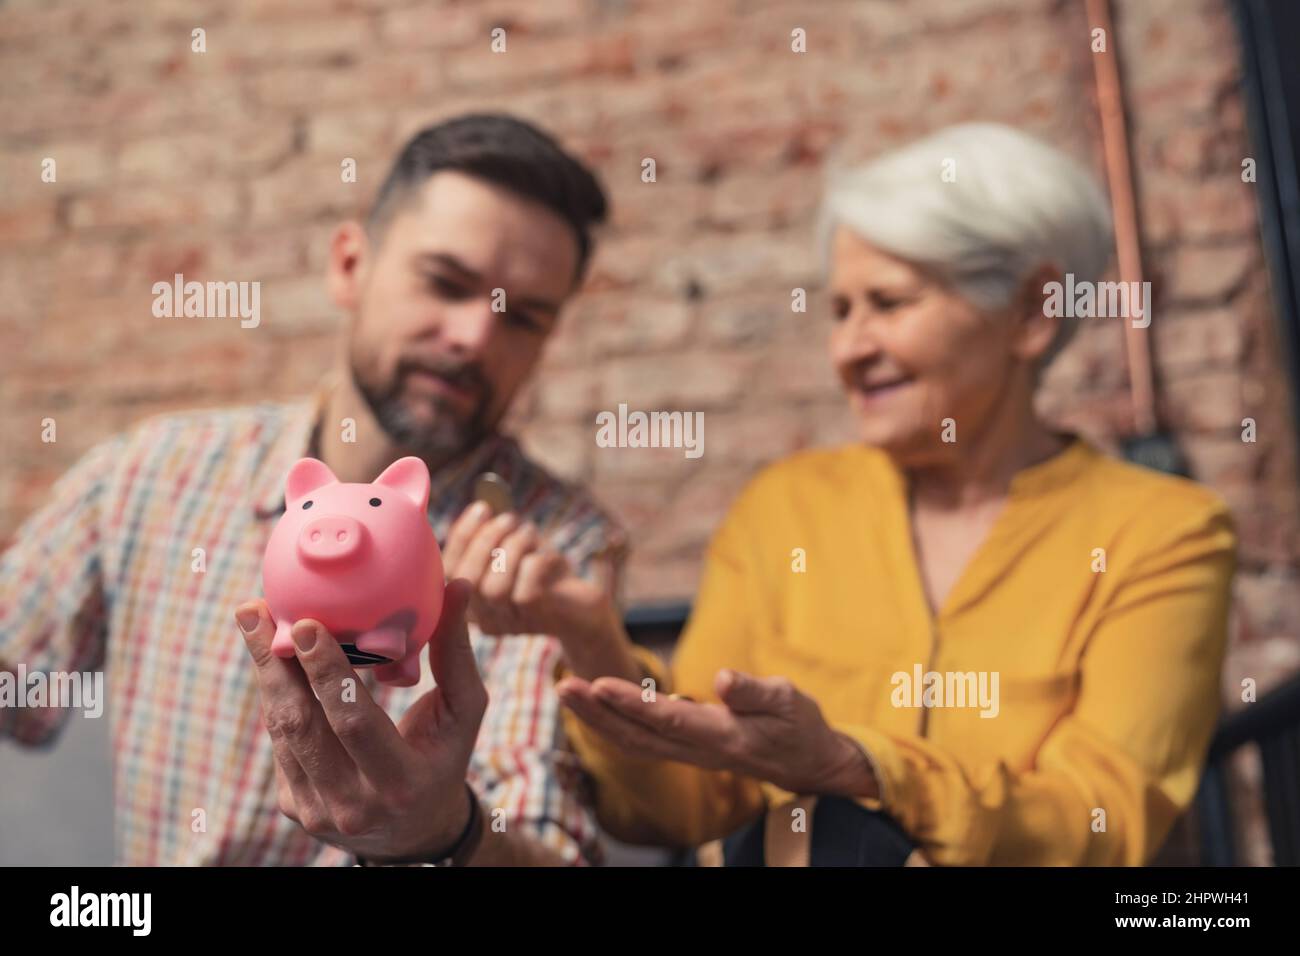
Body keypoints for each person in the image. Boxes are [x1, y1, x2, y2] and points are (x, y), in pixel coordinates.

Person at [555, 123, 1237, 866]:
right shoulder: (785, 509)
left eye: (889, 302)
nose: (849, 349)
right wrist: (596, 646)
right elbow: (683, 806)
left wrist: (860, 768)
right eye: (841, 311)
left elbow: (1102, 821)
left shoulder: (1165, 532)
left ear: (1034, 312)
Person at [0, 113, 639, 866]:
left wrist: (448, 832)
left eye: (521, 317)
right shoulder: (151, 476)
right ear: (349, 266)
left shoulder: (554, 551)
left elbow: (548, 849)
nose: (474, 335)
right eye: (445, 282)